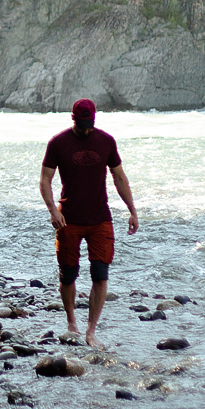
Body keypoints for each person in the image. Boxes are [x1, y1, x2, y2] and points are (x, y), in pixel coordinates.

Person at [39, 97, 138, 343]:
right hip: (68, 219)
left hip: (100, 219)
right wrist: (53, 210)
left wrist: (132, 210)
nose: (86, 129)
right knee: (68, 274)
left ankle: (91, 330)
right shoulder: (58, 143)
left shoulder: (106, 141)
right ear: (74, 119)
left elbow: (119, 178)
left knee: (100, 273)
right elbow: (45, 180)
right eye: (82, 124)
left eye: (89, 124)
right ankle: (72, 322)